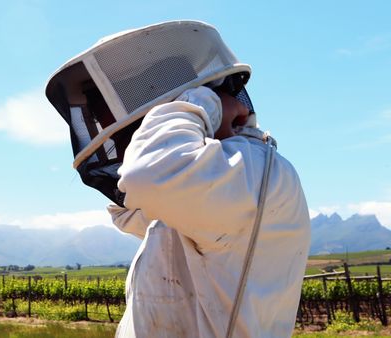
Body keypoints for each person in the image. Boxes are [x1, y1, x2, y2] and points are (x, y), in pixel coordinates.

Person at [46, 20, 310, 337]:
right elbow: (135, 205)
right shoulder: (199, 192)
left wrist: (199, 99)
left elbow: (148, 176)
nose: (121, 142)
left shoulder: (253, 168)